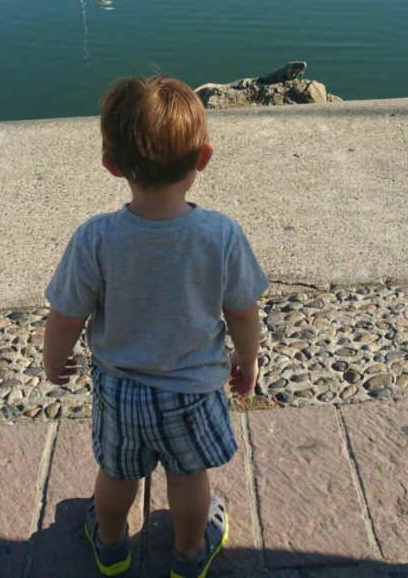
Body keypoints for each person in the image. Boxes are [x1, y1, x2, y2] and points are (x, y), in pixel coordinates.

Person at [43, 75, 268, 578]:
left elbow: (66, 315)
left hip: (121, 391)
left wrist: (54, 360)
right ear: (202, 159)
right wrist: (247, 359)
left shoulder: (97, 238)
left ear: (111, 165)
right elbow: (244, 311)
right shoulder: (220, 234)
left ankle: (111, 545)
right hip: (193, 389)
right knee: (190, 477)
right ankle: (189, 553)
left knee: (118, 472)